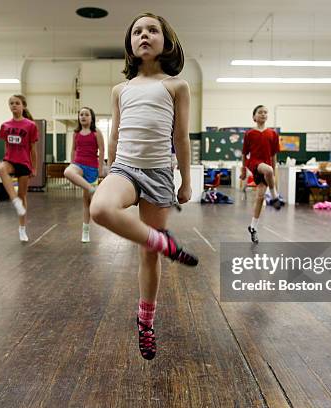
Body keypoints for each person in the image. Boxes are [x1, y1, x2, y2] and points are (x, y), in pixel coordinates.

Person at [89, 12, 198, 360]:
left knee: (148, 255)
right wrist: (107, 169)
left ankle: (146, 322)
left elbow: (181, 138)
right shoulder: (120, 89)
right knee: (100, 208)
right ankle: (164, 242)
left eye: (152, 30)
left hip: (160, 175)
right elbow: (116, 132)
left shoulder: (176, 86)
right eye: (137, 31)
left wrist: (186, 180)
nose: (145, 35)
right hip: (125, 168)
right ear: (130, 44)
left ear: (166, 40)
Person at [0, 94, 38, 242]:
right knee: (1, 169)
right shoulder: (5, 126)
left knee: (23, 195)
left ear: (23, 106)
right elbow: (6, 145)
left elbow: (33, 149)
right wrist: (6, 157)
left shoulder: (30, 125)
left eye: (17, 103)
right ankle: (14, 201)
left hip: (24, 163)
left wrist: (34, 168)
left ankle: (22, 229)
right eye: (11, 103)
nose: (14, 105)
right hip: (10, 161)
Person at [240, 105, 283, 244]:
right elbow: (244, 154)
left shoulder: (273, 133)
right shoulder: (249, 133)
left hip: (267, 166)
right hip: (254, 163)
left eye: (265, 112)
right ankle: (275, 197)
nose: (263, 114)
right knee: (268, 170)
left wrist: (274, 173)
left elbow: (274, 155)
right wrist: (243, 169)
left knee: (260, 197)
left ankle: (253, 227)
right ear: (254, 117)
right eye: (260, 112)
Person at [63, 107, 105, 242]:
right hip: (78, 165)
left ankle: (87, 230)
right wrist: (71, 163)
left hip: (92, 168)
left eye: (86, 114)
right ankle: (91, 188)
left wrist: (100, 169)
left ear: (91, 117)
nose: (83, 117)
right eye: (81, 114)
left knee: (88, 204)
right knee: (67, 171)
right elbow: (73, 150)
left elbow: (102, 151)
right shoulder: (76, 133)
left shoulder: (96, 132)